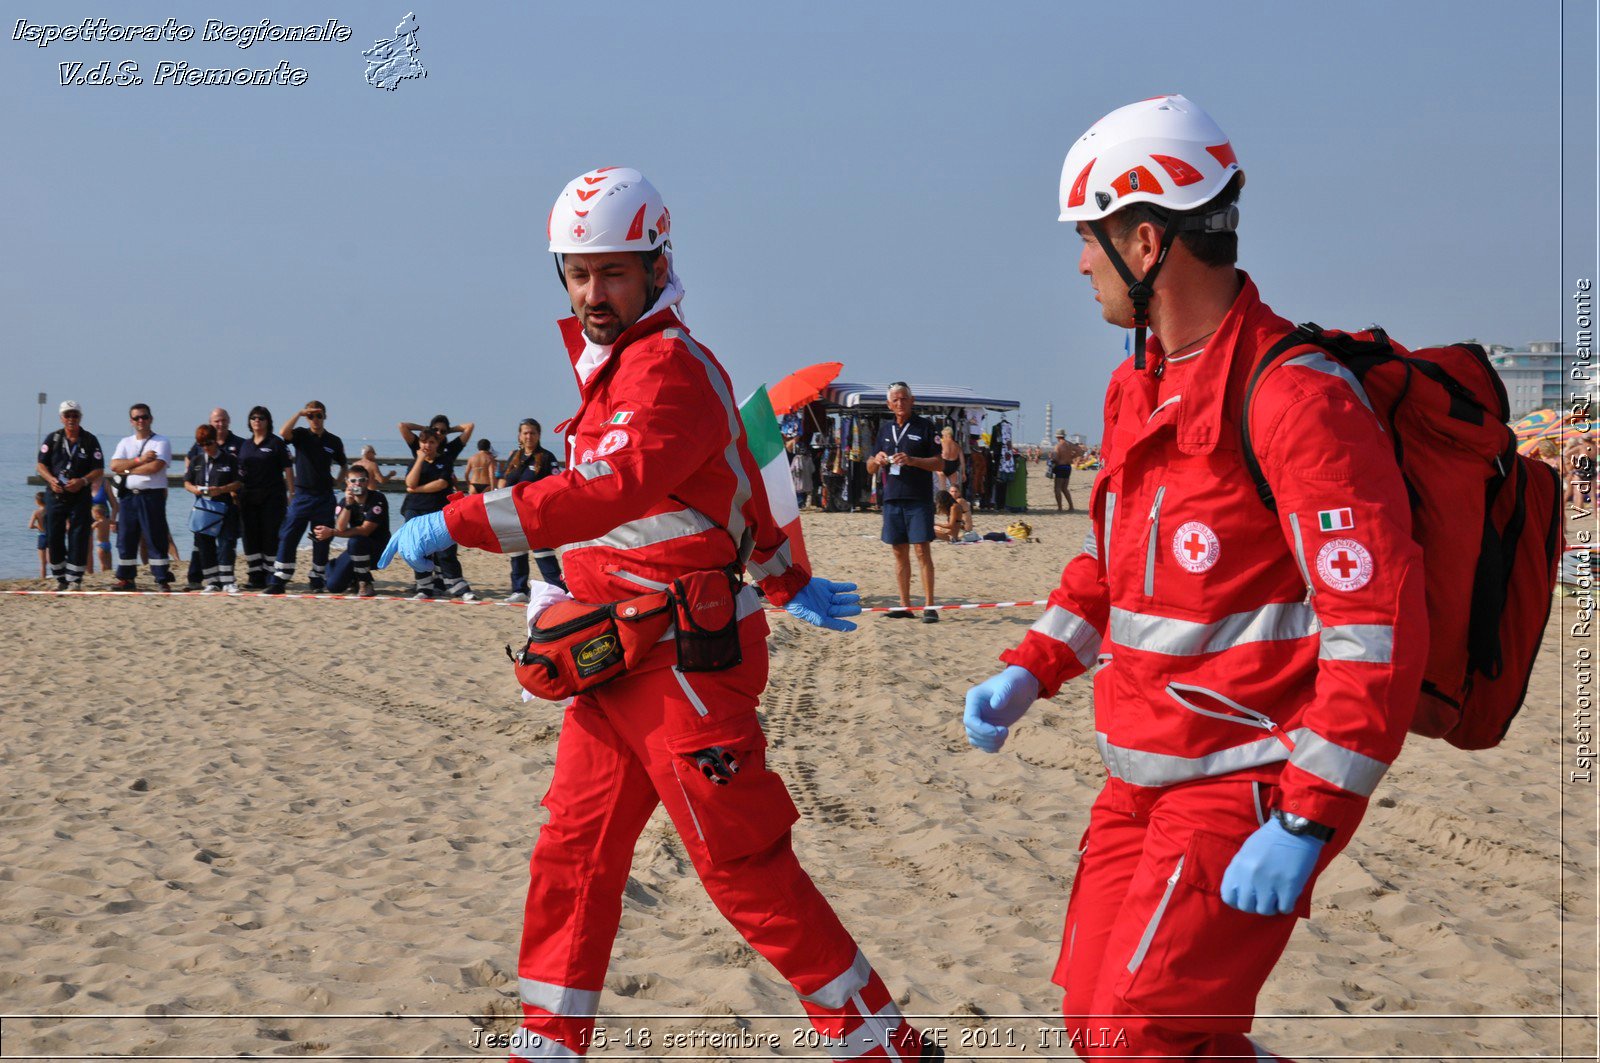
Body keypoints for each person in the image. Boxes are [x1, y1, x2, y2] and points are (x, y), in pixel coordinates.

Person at [379, 166, 937, 1063]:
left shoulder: (667, 367)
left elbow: (605, 491)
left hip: (686, 661)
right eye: (577, 273)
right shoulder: (614, 369)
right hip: (609, 655)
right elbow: (738, 482)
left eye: (612, 272)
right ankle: (549, 1043)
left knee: (742, 865)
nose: (594, 292)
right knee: (573, 850)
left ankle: (882, 1044)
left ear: (655, 264)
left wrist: (454, 521)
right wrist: (787, 574)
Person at [962, 95, 1426, 1061]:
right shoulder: (1140, 381)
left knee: (1142, 1038)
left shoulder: (1297, 398)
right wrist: (1032, 666)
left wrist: (1308, 813)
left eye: (1087, 240)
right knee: (1101, 1032)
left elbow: (1375, 629)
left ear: (1143, 243)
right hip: (1137, 777)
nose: (1078, 262)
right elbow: (1110, 568)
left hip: (1247, 786)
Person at [865, 382, 942, 622]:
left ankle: (929, 606)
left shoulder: (926, 426)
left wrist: (912, 460)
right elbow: (869, 468)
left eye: (903, 399)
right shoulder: (885, 429)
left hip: (918, 498)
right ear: (889, 404)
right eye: (895, 400)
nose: (900, 404)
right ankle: (904, 605)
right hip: (892, 498)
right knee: (899, 552)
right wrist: (877, 460)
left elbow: (940, 464)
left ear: (912, 400)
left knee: (922, 550)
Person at [266, 402, 346, 594]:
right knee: (289, 534)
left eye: (318, 415)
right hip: (302, 495)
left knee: (321, 539)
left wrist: (337, 481)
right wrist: (300, 413)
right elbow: (283, 433)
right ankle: (280, 578)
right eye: (311, 416)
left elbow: (344, 464)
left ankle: (317, 577)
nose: (315, 419)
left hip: (324, 497)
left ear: (325, 416)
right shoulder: (301, 434)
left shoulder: (333, 440)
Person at [398, 427, 477, 600]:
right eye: (424, 441)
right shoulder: (414, 462)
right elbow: (409, 481)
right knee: (419, 548)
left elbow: (441, 484)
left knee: (445, 549)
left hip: (439, 510)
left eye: (431, 442)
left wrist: (417, 489)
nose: (427, 445)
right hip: (415, 509)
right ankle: (424, 587)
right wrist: (419, 459)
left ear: (437, 444)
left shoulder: (445, 460)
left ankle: (457, 585)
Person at [36, 400, 105, 590]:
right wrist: (51, 479)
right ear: (61, 418)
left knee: (79, 536)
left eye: (75, 415)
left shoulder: (90, 440)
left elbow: (99, 469)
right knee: (53, 535)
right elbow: (40, 465)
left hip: (80, 494)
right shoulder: (53, 439)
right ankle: (60, 577)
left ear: (80, 417)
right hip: (55, 494)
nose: (71, 419)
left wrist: (82, 481)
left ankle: (75, 579)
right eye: (67, 415)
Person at [498, 417, 565, 603]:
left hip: (537, 514)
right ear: (519, 436)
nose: (529, 436)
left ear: (539, 435)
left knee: (543, 553)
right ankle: (519, 589)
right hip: (514, 513)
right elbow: (505, 480)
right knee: (517, 552)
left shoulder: (546, 457)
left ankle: (558, 590)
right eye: (525, 433)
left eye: (532, 433)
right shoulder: (515, 456)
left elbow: (556, 484)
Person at [110, 403, 175, 591]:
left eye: (144, 417)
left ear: (151, 419)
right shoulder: (125, 442)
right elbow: (114, 466)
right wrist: (139, 460)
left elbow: (155, 467)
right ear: (131, 421)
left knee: (155, 537)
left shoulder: (161, 442)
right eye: (137, 418)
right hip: (129, 497)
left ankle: (162, 578)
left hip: (151, 496)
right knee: (126, 537)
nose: (141, 421)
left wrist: (128, 468)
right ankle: (126, 579)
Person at [183, 408, 246, 590]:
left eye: (209, 444)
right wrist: (195, 489)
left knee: (227, 543)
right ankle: (212, 582)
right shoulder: (196, 461)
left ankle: (228, 581)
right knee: (205, 545)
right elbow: (186, 482)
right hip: (203, 508)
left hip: (225, 506)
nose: (206, 448)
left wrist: (221, 489)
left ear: (215, 442)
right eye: (202, 444)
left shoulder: (229, 460)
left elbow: (239, 482)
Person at [237, 406, 294, 589]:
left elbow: (288, 469)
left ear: (268, 421)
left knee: (270, 536)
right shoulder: (245, 445)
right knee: (250, 537)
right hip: (248, 498)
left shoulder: (276, 443)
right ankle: (255, 576)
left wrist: (291, 493)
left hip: (272, 498)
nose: (257, 421)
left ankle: (271, 575)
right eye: (253, 417)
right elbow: (239, 471)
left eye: (261, 418)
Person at [319, 466, 389, 596]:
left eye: (362, 480)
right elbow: (341, 527)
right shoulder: (344, 502)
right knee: (333, 586)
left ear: (367, 481)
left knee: (355, 541)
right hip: (357, 551)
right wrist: (348, 505)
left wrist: (332, 532)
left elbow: (365, 531)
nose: (357, 483)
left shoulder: (378, 498)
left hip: (379, 550)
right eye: (353, 480)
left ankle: (365, 582)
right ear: (347, 482)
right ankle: (350, 575)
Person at [1051, 429, 1086, 512]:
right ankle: (1071, 506)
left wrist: (1052, 459)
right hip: (1068, 467)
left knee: (1057, 488)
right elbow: (1081, 451)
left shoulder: (1058, 446)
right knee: (1065, 488)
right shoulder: (1069, 444)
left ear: (1057, 436)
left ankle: (1060, 508)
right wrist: (1072, 457)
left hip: (1060, 467)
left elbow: (1055, 458)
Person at [939, 425, 962, 491]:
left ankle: (942, 500)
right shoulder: (957, 445)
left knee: (942, 489)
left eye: (943, 435)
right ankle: (953, 500)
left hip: (943, 465)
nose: (942, 437)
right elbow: (962, 461)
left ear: (946, 435)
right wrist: (963, 473)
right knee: (954, 488)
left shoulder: (942, 443)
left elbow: (936, 455)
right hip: (953, 466)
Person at [91, 503, 113, 575]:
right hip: (108, 544)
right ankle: (110, 574)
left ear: (97, 514)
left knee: (102, 563)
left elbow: (89, 530)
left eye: (93, 514)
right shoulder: (108, 521)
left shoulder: (97, 523)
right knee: (109, 563)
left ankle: (103, 574)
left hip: (101, 545)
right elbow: (116, 523)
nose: (93, 516)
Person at [30, 493, 46, 579]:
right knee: (53, 559)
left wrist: (37, 526)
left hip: (42, 536)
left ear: (37, 502)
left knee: (43, 562)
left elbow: (30, 526)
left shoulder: (36, 512)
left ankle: (43, 577)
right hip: (50, 535)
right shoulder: (50, 510)